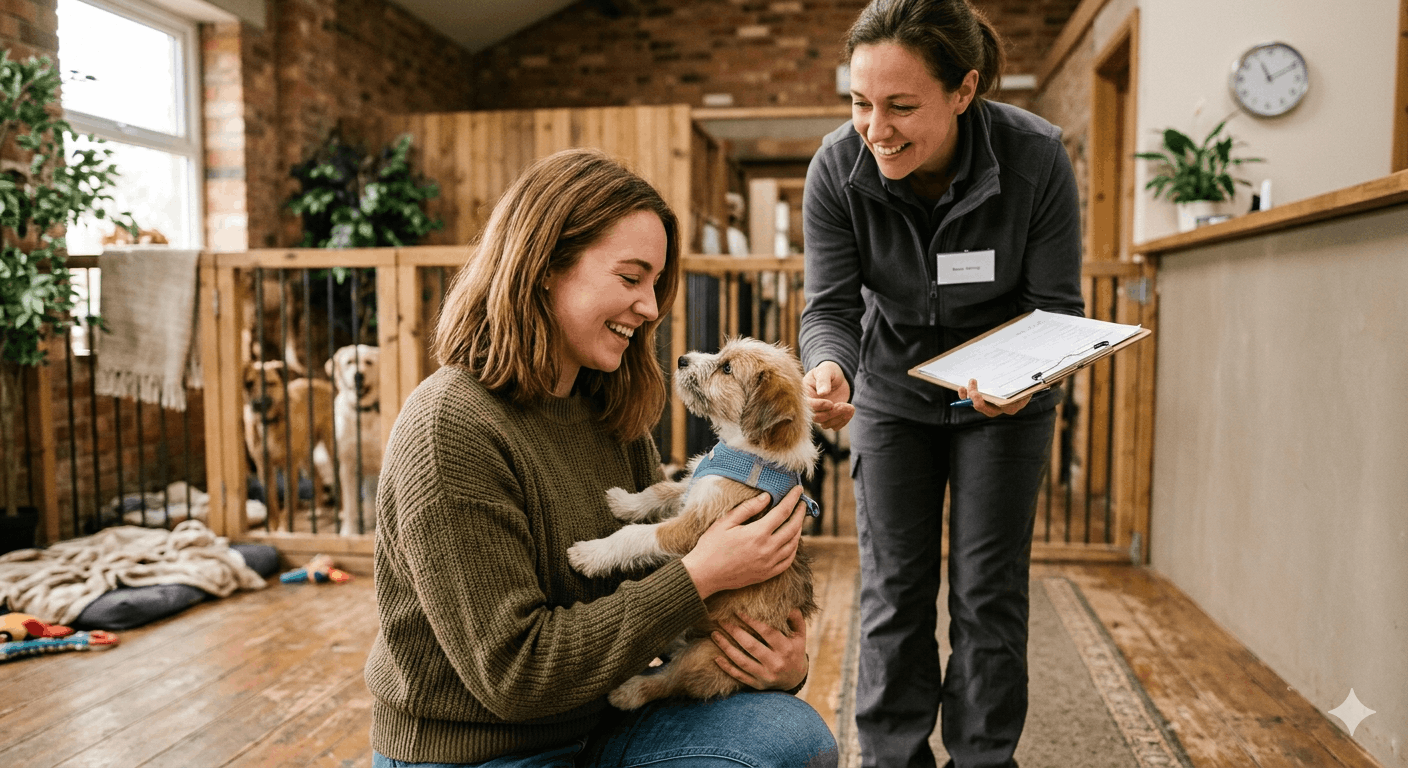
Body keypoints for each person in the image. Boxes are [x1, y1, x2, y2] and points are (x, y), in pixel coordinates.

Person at [365, 148, 839, 768]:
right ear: (544, 268)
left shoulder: (604, 406)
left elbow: (648, 581)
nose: (650, 307)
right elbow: (515, 677)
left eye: (654, 284)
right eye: (630, 277)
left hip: (593, 722)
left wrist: (773, 658)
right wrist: (702, 573)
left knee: (794, 738)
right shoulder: (449, 428)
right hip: (478, 752)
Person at [798, 1, 1084, 766]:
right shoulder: (835, 167)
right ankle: (893, 756)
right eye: (860, 103)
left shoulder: (1035, 157)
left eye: (900, 106)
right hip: (892, 395)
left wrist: (1028, 376)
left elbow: (1059, 309)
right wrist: (829, 365)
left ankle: (985, 758)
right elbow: (829, 306)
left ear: (965, 90)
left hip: (1007, 399)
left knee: (987, 592)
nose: (875, 128)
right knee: (893, 589)